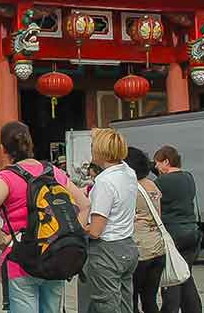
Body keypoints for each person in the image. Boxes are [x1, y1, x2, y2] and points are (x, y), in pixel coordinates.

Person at [0, 121, 90, 313]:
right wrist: (68, 232)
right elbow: (85, 205)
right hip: (54, 253)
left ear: (3, 148)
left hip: (21, 257)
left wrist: (0, 241)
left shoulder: (6, 177)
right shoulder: (53, 172)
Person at [82, 128, 138, 313]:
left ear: (99, 151)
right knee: (124, 304)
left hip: (107, 250)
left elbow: (96, 230)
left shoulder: (104, 182)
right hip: (127, 245)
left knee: (107, 305)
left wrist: (78, 227)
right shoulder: (129, 173)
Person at [154, 146, 203, 313]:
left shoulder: (160, 183)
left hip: (173, 233)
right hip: (192, 231)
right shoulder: (189, 177)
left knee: (172, 277)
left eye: (158, 163)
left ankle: (170, 310)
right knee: (185, 274)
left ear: (166, 161)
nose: (156, 167)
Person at [125, 147, 165, 313]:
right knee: (150, 300)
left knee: (131, 300)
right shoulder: (153, 185)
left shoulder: (131, 188)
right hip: (157, 248)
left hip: (139, 249)